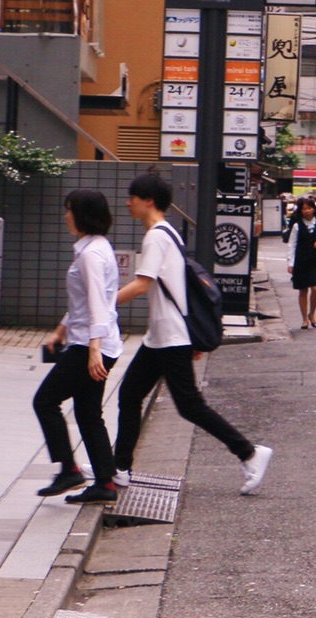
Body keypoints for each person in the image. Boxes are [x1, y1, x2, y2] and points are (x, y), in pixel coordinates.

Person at [112, 171, 273, 495]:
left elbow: (143, 283)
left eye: (133, 197)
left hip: (169, 337)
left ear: (149, 201)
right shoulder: (168, 233)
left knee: (189, 405)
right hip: (162, 337)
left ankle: (250, 452)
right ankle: (119, 468)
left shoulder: (157, 235)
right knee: (129, 395)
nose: (128, 202)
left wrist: (103, 303)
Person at [33, 189, 123, 504]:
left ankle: (70, 470)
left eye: (69, 209)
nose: (65, 215)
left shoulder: (90, 254)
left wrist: (93, 349)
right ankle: (105, 483)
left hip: (91, 345)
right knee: (87, 413)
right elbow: (85, 302)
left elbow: (99, 302)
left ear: (82, 214)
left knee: (45, 401)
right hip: (96, 341)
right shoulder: (98, 248)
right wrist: (61, 331)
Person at [284, 195, 316, 329]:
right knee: (303, 290)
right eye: (304, 209)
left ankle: (312, 313)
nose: (306, 211)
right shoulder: (297, 226)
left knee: (315, 288)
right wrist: (290, 263)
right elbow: (291, 245)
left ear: (313, 209)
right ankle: (304, 318)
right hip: (301, 260)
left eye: (309, 208)